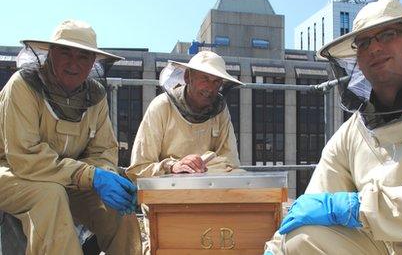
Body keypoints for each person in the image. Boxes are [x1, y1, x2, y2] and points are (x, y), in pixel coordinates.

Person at [265, 0, 402, 254]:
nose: (375, 48)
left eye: (388, 34)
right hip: (378, 247)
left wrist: (358, 207)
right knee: (301, 238)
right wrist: (276, 247)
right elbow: (313, 203)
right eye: (364, 42)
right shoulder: (352, 132)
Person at [0, 20, 142, 254]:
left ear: (93, 62)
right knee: (50, 195)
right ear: (51, 53)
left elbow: (103, 151)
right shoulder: (22, 86)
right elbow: (24, 156)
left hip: (68, 178)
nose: (73, 64)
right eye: (65, 52)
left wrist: (105, 174)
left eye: (83, 56)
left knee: (119, 208)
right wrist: (89, 175)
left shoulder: (95, 96)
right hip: (12, 172)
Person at [127, 50, 242, 180]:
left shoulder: (220, 110)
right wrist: (172, 166)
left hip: (208, 190)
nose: (210, 88)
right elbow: (138, 168)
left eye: (216, 82)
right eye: (205, 79)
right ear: (188, 77)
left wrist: (201, 166)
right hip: (165, 193)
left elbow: (231, 163)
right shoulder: (161, 106)